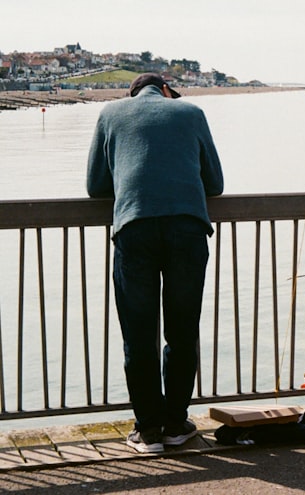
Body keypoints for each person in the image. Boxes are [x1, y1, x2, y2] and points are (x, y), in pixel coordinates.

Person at [86, 73, 224, 453]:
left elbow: (96, 186)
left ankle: (148, 431)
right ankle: (176, 424)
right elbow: (215, 183)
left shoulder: (110, 114)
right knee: (181, 332)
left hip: (134, 228)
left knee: (139, 334)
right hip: (187, 228)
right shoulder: (190, 112)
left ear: (131, 94)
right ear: (165, 91)